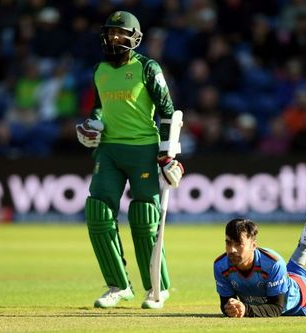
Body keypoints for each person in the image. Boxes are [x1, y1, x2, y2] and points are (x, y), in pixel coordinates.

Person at [75, 11, 184, 310]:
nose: (114, 38)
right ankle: (118, 286)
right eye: (110, 33)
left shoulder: (148, 67)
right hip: (109, 150)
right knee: (97, 212)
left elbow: (167, 111)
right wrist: (91, 124)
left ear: (134, 38)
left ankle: (156, 289)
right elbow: (100, 108)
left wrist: (167, 156)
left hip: (144, 150)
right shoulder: (100, 70)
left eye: (120, 34)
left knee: (144, 218)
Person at [213, 215, 306, 317]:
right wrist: (230, 308)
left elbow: (277, 308)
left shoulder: (272, 263)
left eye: (238, 244)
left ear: (253, 246)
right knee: (287, 274)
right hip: (286, 278)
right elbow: (226, 303)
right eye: (228, 242)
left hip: (303, 297)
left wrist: (246, 310)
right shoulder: (220, 265)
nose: (232, 249)